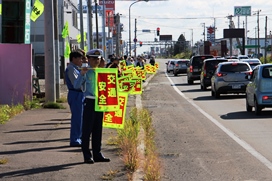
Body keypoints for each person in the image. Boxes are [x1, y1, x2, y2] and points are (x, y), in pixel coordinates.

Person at [74, 49, 110, 164]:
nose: (96, 61)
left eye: (98, 59)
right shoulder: (86, 71)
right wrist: (82, 74)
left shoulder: (102, 71)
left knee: (97, 130)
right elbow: (76, 85)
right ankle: (87, 155)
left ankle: (97, 154)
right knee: (87, 130)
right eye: (94, 58)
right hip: (89, 102)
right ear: (88, 59)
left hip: (100, 102)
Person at [65, 51, 84, 147]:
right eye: (79, 58)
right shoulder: (71, 69)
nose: (81, 60)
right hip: (76, 94)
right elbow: (76, 84)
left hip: (79, 94)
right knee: (77, 117)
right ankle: (75, 139)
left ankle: (79, 137)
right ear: (74, 58)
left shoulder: (76, 68)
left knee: (81, 117)